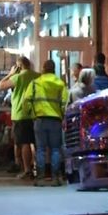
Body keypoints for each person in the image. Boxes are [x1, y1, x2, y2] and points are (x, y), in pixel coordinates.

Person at [0, 56, 39, 180]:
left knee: (24, 142)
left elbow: (0, 86)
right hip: (36, 113)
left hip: (21, 113)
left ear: (19, 66)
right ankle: (38, 167)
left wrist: (10, 74)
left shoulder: (18, 77)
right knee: (35, 143)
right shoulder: (37, 76)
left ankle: (27, 170)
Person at [30, 59, 69, 187]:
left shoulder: (35, 83)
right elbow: (65, 103)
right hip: (55, 120)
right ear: (54, 69)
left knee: (40, 149)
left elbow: (26, 101)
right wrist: (62, 115)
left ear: (43, 68)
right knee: (55, 149)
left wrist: (32, 114)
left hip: (40, 119)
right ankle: (56, 178)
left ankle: (40, 178)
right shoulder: (60, 83)